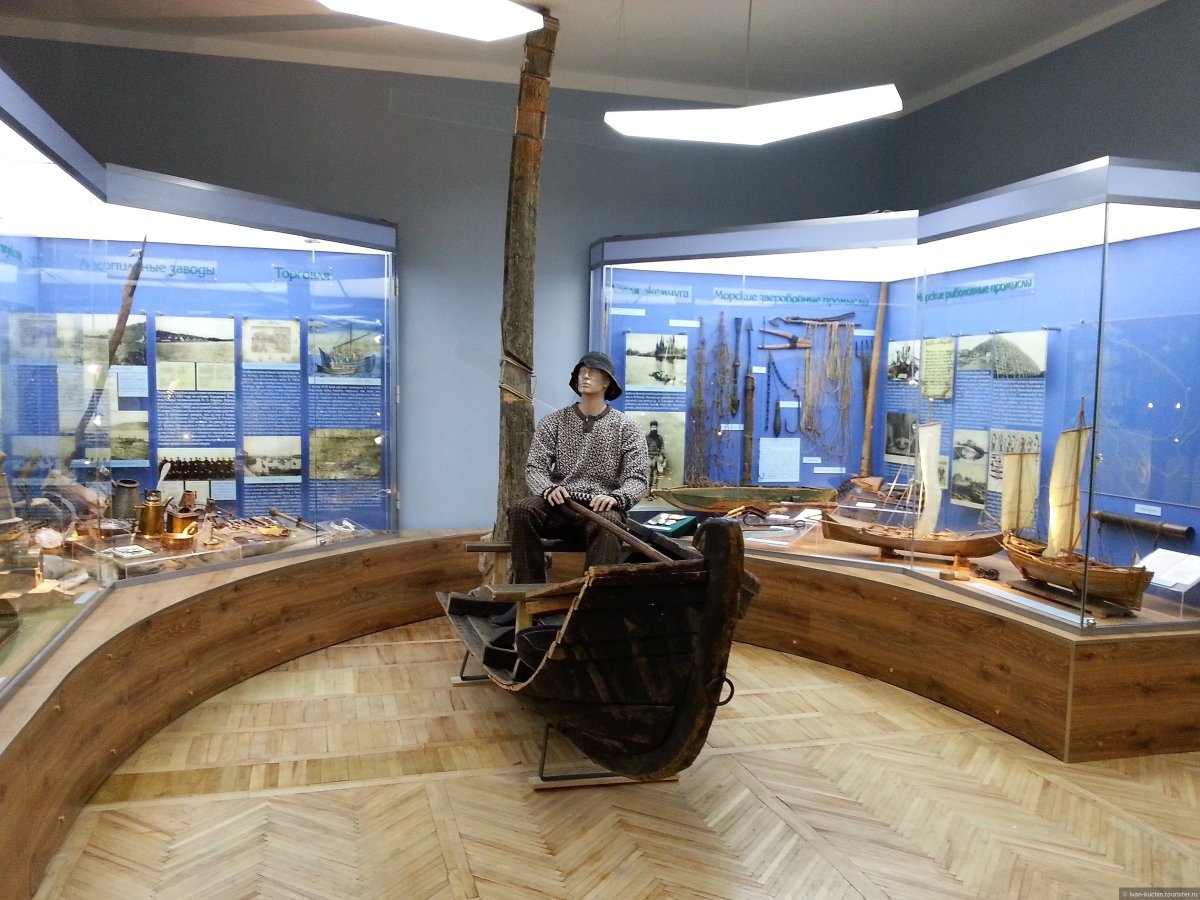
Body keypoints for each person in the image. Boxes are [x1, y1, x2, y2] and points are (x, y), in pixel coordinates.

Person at [507, 351, 650, 584]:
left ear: (607, 382)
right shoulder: (553, 422)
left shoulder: (627, 427)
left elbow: (638, 478)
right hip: (559, 505)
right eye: (582, 372)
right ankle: (528, 593)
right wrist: (548, 489)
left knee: (610, 523)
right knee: (521, 509)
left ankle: (592, 598)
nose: (585, 376)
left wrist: (616, 498)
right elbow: (535, 467)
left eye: (593, 372)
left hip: (599, 509)